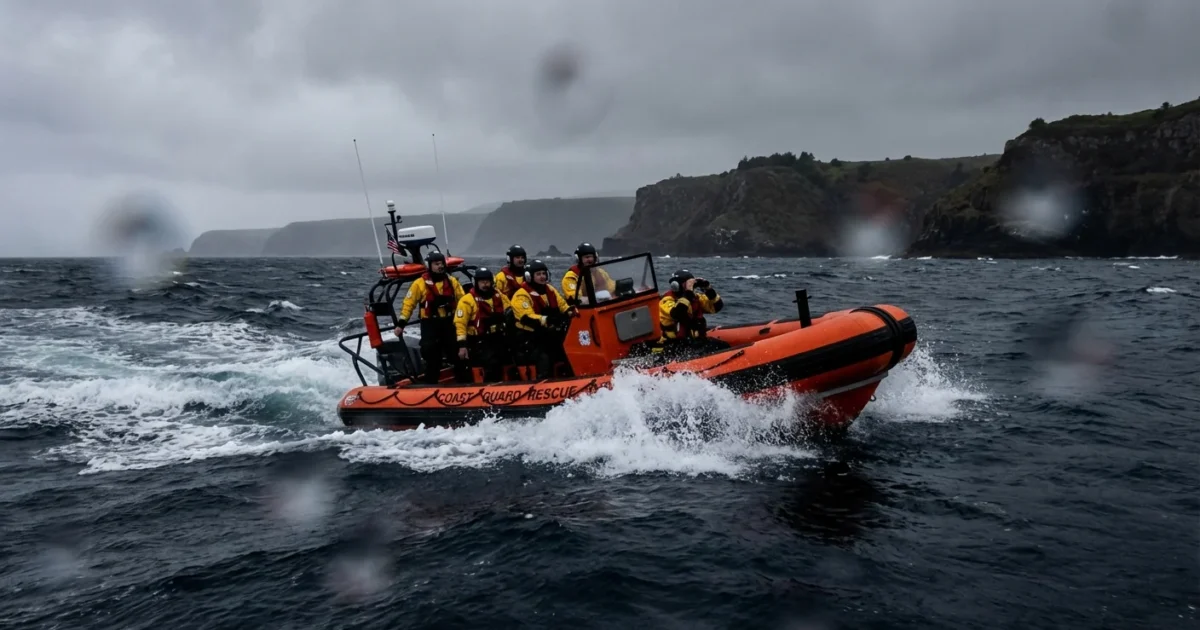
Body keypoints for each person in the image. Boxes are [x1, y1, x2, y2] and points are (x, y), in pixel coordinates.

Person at [397, 251, 468, 383]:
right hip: (430, 325)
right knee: (432, 358)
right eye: (436, 264)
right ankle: (430, 386)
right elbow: (409, 304)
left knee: (458, 356)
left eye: (441, 264)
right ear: (430, 266)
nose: (440, 266)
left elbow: (464, 302)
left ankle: (463, 384)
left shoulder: (452, 282)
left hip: (449, 323)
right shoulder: (419, 284)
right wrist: (401, 323)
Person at [511, 259, 577, 379]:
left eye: (543, 273)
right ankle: (543, 381)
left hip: (549, 333)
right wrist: (548, 320)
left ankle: (570, 377)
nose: (542, 277)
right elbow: (527, 317)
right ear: (529, 276)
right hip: (530, 337)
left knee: (569, 350)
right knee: (544, 357)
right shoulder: (521, 295)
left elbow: (562, 305)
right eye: (538, 274)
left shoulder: (550, 290)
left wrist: (570, 311)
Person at [453, 267, 512, 382]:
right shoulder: (467, 300)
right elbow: (460, 324)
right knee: (489, 363)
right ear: (476, 283)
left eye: (487, 281)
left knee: (507, 360)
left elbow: (510, 311)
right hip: (478, 340)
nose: (485, 284)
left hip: (498, 337)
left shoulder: (499, 296)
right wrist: (462, 346)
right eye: (482, 282)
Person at [656, 269, 726, 359]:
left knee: (723, 346)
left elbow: (717, 306)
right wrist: (688, 292)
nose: (691, 287)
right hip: (675, 345)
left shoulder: (695, 298)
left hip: (695, 341)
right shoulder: (666, 301)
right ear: (676, 285)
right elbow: (677, 313)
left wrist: (708, 289)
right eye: (688, 284)